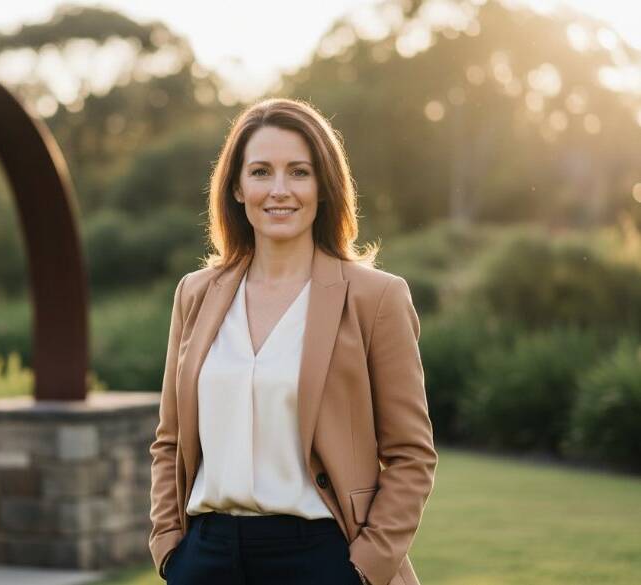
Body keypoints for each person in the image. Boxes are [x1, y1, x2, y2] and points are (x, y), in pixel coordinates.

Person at [148, 97, 438, 585]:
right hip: (205, 557)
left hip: (322, 557)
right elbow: (169, 440)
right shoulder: (195, 294)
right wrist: (169, 545)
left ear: (323, 186)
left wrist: (364, 568)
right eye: (261, 172)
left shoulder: (376, 297)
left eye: (298, 172)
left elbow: (411, 455)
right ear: (237, 188)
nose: (279, 190)